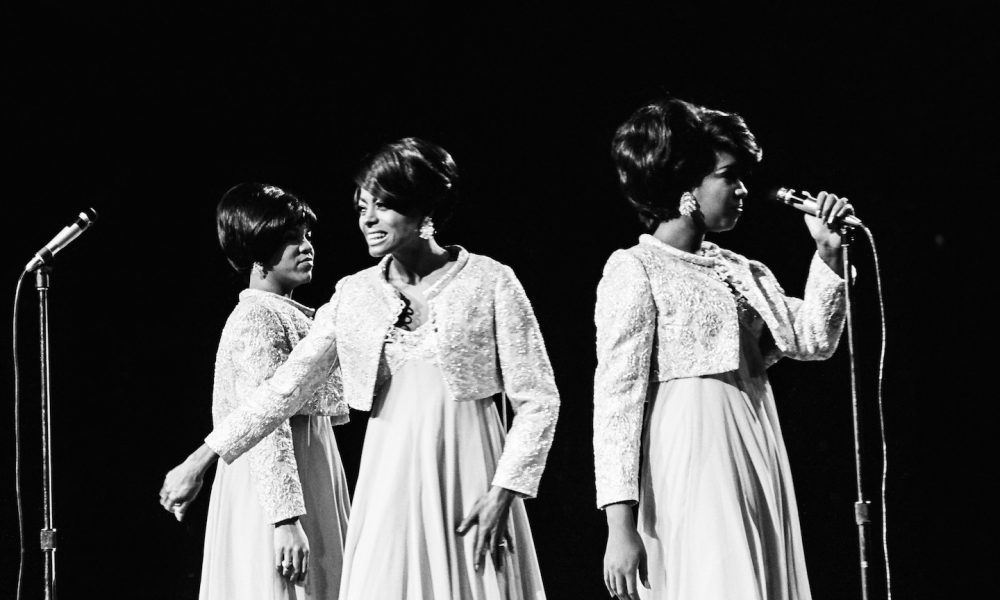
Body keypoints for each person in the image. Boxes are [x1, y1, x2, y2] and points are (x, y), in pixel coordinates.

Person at [160, 138, 559, 599]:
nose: (366, 219)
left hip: (472, 471)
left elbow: (538, 399)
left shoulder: (490, 280)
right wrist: (201, 459)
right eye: (361, 207)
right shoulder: (355, 294)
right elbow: (280, 391)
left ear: (422, 207)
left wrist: (505, 489)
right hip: (388, 476)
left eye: (382, 206)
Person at [593, 98, 854, 600]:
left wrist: (827, 254)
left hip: (754, 439)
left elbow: (814, 341)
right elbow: (616, 401)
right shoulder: (635, 268)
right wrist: (618, 526)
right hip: (690, 450)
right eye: (728, 176)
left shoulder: (742, 269)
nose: (742, 190)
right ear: (685, 185)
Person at [159, 183, 351, 599]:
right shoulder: (258, 316)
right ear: (256, 250)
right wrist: (284, 520)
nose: (305, 247)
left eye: (307, 236)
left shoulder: (287, 311)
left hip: (307, 465)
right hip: (278, 481)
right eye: (289, 240)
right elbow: (268, 421)